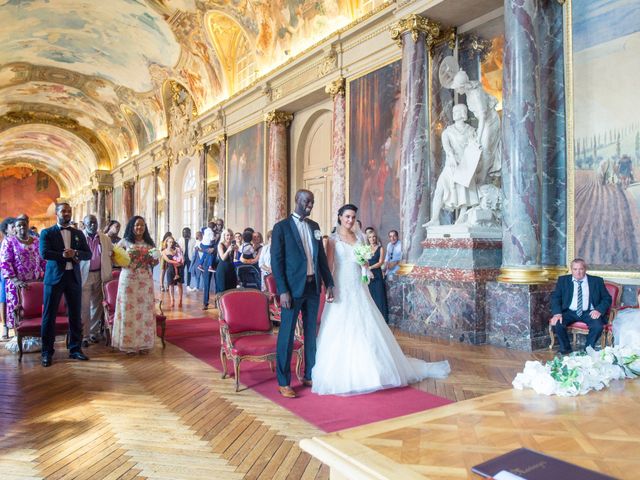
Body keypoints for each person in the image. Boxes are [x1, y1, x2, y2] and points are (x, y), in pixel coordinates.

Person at [312, 204, 450, 395]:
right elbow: (329, 265)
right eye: (347, 217)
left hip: (359, 286)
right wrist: (329, 286)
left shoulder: (359, 237)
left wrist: (364, 263)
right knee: (340, 323)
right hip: (341, 284)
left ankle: (375, 369)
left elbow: (365, 261)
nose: (350, 220)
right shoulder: (333, 240)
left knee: (366, 322)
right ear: (340, 217)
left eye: (353, 217)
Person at [271, 189, 335, 398]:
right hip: (291, 290)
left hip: (313, 287)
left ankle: (309, 374)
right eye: (307, 201)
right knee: (287, 335)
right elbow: (276, 263)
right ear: (297, 200)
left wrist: (329, 283)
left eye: (313, 202)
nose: (311, 204)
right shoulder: (281, 228)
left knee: (310, 335)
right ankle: (283, 381)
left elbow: (321, 260)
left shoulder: (314, 227)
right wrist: (283, 291)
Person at [39, 203, 92, 367]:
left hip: (73, 278)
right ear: (57, 213)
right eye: (63, 211)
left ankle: (75, 349)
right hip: (54, 279)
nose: (67, 213)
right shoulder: (47, 232)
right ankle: (47, 352)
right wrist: (63, 255)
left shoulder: (77, 233)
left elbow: (88, 254)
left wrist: (75, 253)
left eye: (69, 211)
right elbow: (44, 253)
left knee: (75, 315)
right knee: (49, 316)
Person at [426, 104, 479, 226]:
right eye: (454, 111)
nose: (454, 113)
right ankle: (435, 219)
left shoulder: (470, 130)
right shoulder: (448, 131)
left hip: (465, 165)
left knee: (464, 191)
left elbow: (474, 146)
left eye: (457, 111)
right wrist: (451, 155)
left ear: (463, 113)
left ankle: (462, 216)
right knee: (439, 188)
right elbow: (446, 146)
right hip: (451, 165)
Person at [112, 216, 159, 355]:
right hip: (129, 280)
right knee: (129, 311)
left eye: (142, 225)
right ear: (131, 227)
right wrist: (123, 260)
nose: (139, 228)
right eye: (137, 225)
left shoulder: (149, 243)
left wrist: (153, 260)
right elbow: (115, 258)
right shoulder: (124, 242)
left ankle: (144, 343)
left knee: (144, 312)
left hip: (145, 281)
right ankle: (129, 345)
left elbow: (154, 262)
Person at [550, 258, 612, 355]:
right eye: (575, 269)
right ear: (571, 269)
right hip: (569, 311)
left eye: (581, 269)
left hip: (589, 311)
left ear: (585, 269)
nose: (578, 272)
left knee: (598, 326)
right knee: (558, 323)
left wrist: (599, 310)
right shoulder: (563, 280)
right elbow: (556, 297)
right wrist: (557, 313)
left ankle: (587, 350)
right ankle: (566, 349)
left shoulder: (596, 281)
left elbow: (607, 298)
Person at [0, 215, 45, 339]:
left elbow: (42, 260)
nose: (21, 228)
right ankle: (18, 337)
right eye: (18, 225)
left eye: (23, 225)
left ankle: (35, 337)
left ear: (27, 225)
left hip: (35, 283)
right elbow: (5, 262)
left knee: (34, 309)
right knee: (18, 311)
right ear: (15, 228)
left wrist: (44, 275)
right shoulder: (9, 242)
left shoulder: (36, 240)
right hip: (16, 284)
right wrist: (15, 280)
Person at [79, 214, 113, 346]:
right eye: (90, 223)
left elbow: (110, 254)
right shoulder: (79, 237)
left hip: (100, 274)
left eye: (95, 223)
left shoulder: (104, 238)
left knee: (97, 306)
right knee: (84, 306)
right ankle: (84, 335)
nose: (93, 225)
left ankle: (93, 333)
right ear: (84, 224)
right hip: (84, 275)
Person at [366, 229, 389, 323]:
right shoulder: (366, 248)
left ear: (376, 238)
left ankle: (381, 320)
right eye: (370, 237)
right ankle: (371, 318)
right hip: (368, 275)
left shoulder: (381, 248)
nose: (372, 239)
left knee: (379, 295)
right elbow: (363, 261)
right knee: (370, 295)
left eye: (374, 237)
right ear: (368, 239)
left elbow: (380, 262)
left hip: (377, 274)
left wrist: (370, 267)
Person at [0, 217, 16, 340]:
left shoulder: (18, 240)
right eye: (12, 227)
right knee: (4, 298)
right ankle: (5, 325)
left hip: (18, 273)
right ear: (6, 230)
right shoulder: (6, 241)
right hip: (6, 274)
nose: (15, 228)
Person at [162, 236, 184, 308]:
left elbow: (181, 256)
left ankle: (180, 300)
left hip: (179, 268)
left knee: (179, 284)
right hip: (170, 269)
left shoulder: (176, 249)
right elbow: (167, 260)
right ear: (167, 242)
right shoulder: (164, 251)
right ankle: (172, 300)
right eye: (170, 242)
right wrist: (175, 261)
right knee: (171, 285)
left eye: (172, 242)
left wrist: (181, 261)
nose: (171, 243)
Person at [215, 228, 238, 293]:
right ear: (224, 236)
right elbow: (223, 258)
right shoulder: (220, 245)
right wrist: (228, 250)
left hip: (231, 269)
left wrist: (236, 251)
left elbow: (235, 259)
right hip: (222, 270)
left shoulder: (233, 245)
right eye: (227, 235)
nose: (229, 237)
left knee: (232, 290)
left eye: (231, 235)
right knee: (222, 290)